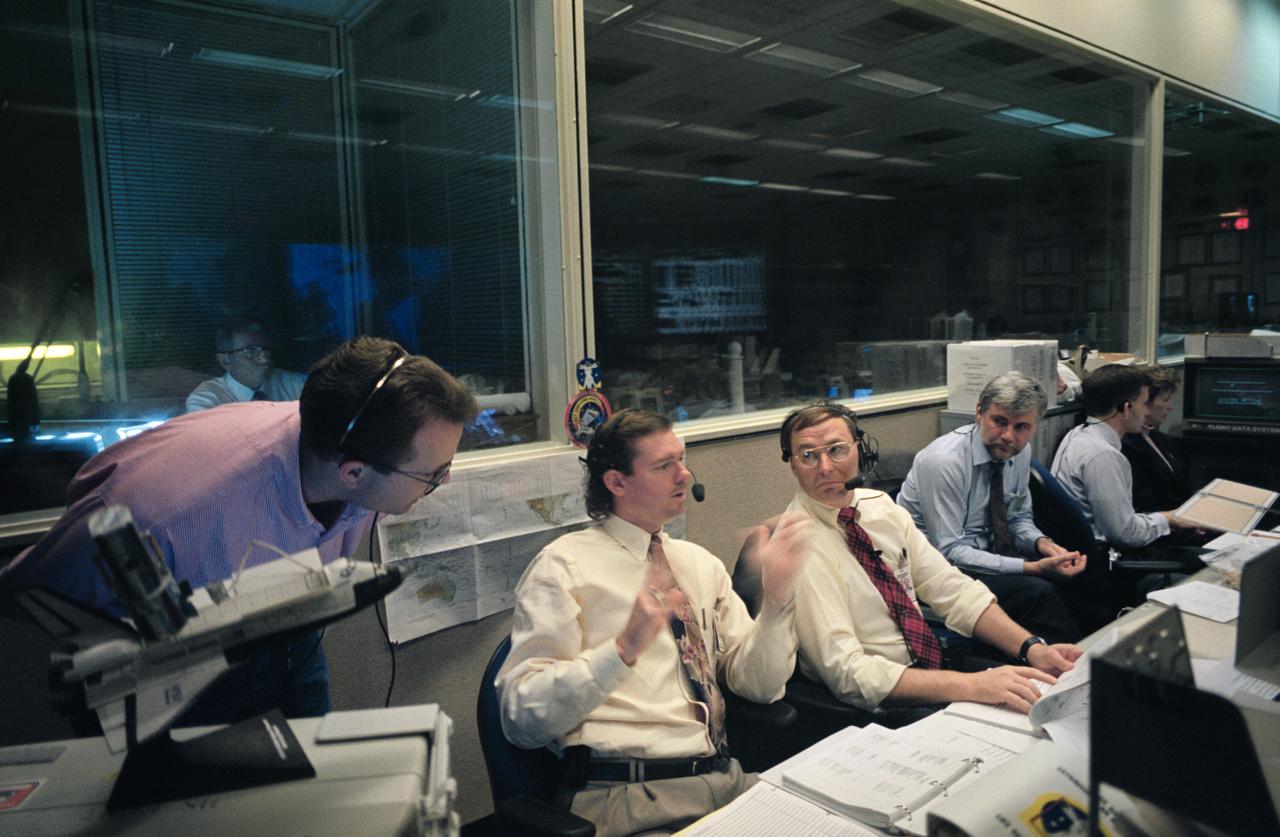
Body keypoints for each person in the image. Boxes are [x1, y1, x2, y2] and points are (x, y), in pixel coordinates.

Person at [1, 336, 475, 723]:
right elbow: (35, 594)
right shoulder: (169, 515)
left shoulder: (346, 436)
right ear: (352, 473)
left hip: (289, 635)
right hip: (164, 674)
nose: (443, 480)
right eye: (433, 475)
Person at [496, 409, 812, 836]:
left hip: (724, 780)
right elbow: (521, 720)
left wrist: (777, 601)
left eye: (681, 460)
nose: (684, 475)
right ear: (617, 482)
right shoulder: (563, 567)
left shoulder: (698, 564)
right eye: (664, 466)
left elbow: (761, 686)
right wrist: (623, 648)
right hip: (626, 797)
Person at [774, 401, 1081, 715]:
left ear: (861, 450)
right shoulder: (796, 547)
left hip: (932, 666)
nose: (825, 467)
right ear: (793, 465)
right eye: (808, 455)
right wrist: (972, 686)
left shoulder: (880, 507)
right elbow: (848, 673)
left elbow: (953, 591)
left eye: (837, 450)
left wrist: (1032, 648)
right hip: (878, 704)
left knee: (1052, 698)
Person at [897, 372, 1085, 644]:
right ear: (979, 413)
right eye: (999, 422)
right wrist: (1030, 568)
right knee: (1039, 593)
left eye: (1021, 427)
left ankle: (1075, 659)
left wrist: (1042, 544)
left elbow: (1018, 517)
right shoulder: (943, 462)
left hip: (986, 553)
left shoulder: (1020, 453)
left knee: (1074, 580)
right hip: (936, 569)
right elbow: (949, 551)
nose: (1008, 436)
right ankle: (1063, 669)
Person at [1050, 364, 1196, 549]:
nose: (1145, 411)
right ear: (1126, 408)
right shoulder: (1103, 455)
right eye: (1143, 404)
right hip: (1110, 565)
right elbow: (1126, 534)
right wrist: (1170, 519)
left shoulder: (1078, 434)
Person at [185, 316, 307, 412]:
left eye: (265, 348)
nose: (264, 359)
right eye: (249, 350)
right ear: (225, 361)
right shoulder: (209, 399)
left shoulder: (296, 385)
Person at [1121, 365, 1192, 514]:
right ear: (1144, 401)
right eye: (1165, 400)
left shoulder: (1163, 440)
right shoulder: (1126, 447)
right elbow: (1145, 505)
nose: (1171, 406)